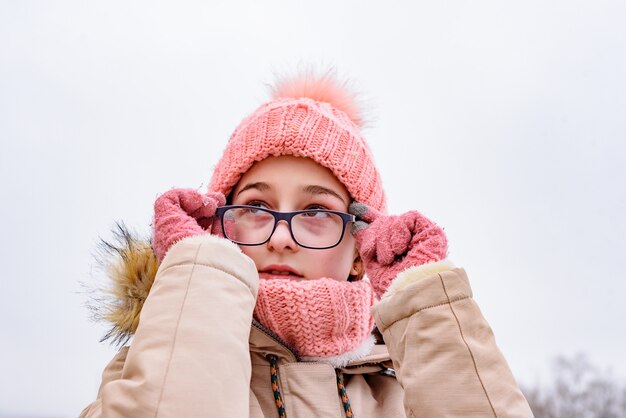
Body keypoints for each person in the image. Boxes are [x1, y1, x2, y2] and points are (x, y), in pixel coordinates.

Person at [80, 72, 534, 417]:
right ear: (218, 227)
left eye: (316, 212)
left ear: (361, 249)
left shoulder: (406, 396)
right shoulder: (150, 365)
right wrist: (197, 271)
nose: (279, 237)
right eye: (256, 206)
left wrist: (424, 307)